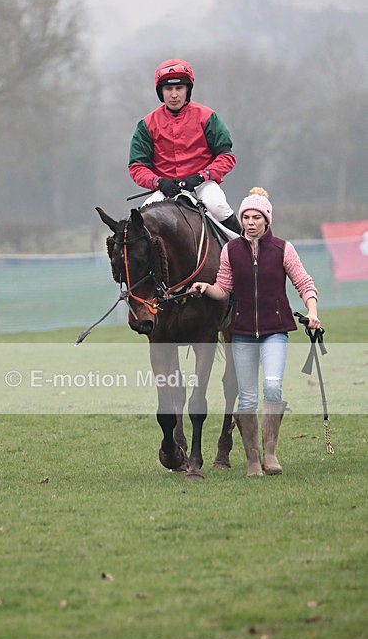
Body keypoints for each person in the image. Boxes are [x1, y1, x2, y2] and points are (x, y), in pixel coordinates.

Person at [190, 188, 320, 477]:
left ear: (266, 220)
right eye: (246, 217)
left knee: (272, 386)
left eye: (256, 217)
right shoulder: (230, 250)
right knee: (246, 399)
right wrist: (205, 287)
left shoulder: (283, 249)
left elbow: (304, 283)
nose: (250, 222)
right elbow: (223, 289)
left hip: (276, 331)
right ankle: (252, 460)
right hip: (243, 332)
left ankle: (270, 453)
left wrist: (312, 312)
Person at [128, 58, 241, 234]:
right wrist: (159, 182)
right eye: (168, 89)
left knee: (217, 206)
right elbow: (137, 167)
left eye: (179, 88)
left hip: (202, 185)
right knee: (143, 220)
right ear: (161, 92)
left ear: (187, 90)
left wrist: (201, 176)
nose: (174, 95)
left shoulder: (209, 117)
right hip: (166, 190)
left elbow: (226, 157)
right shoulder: (146, 125)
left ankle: (246, 248)